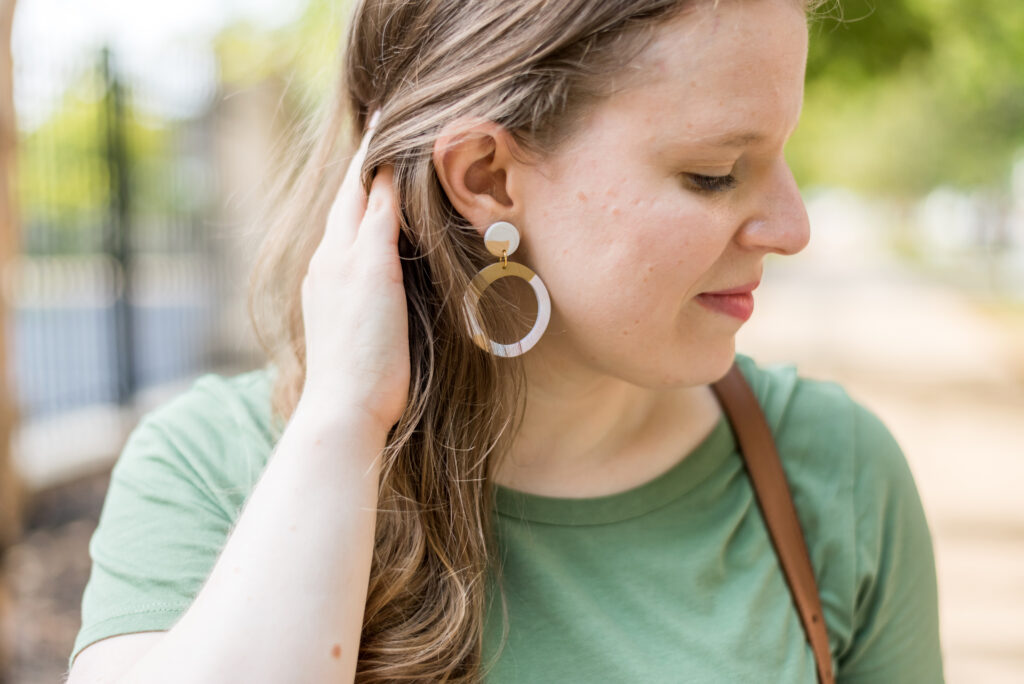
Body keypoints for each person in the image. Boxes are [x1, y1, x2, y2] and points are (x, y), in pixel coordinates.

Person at [66, 0, 945, 681]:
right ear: (486, 178)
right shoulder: (210, 472)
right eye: (713, 172)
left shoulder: (834, 473)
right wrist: (343, 422)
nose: (792, 228)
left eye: (783, 155)